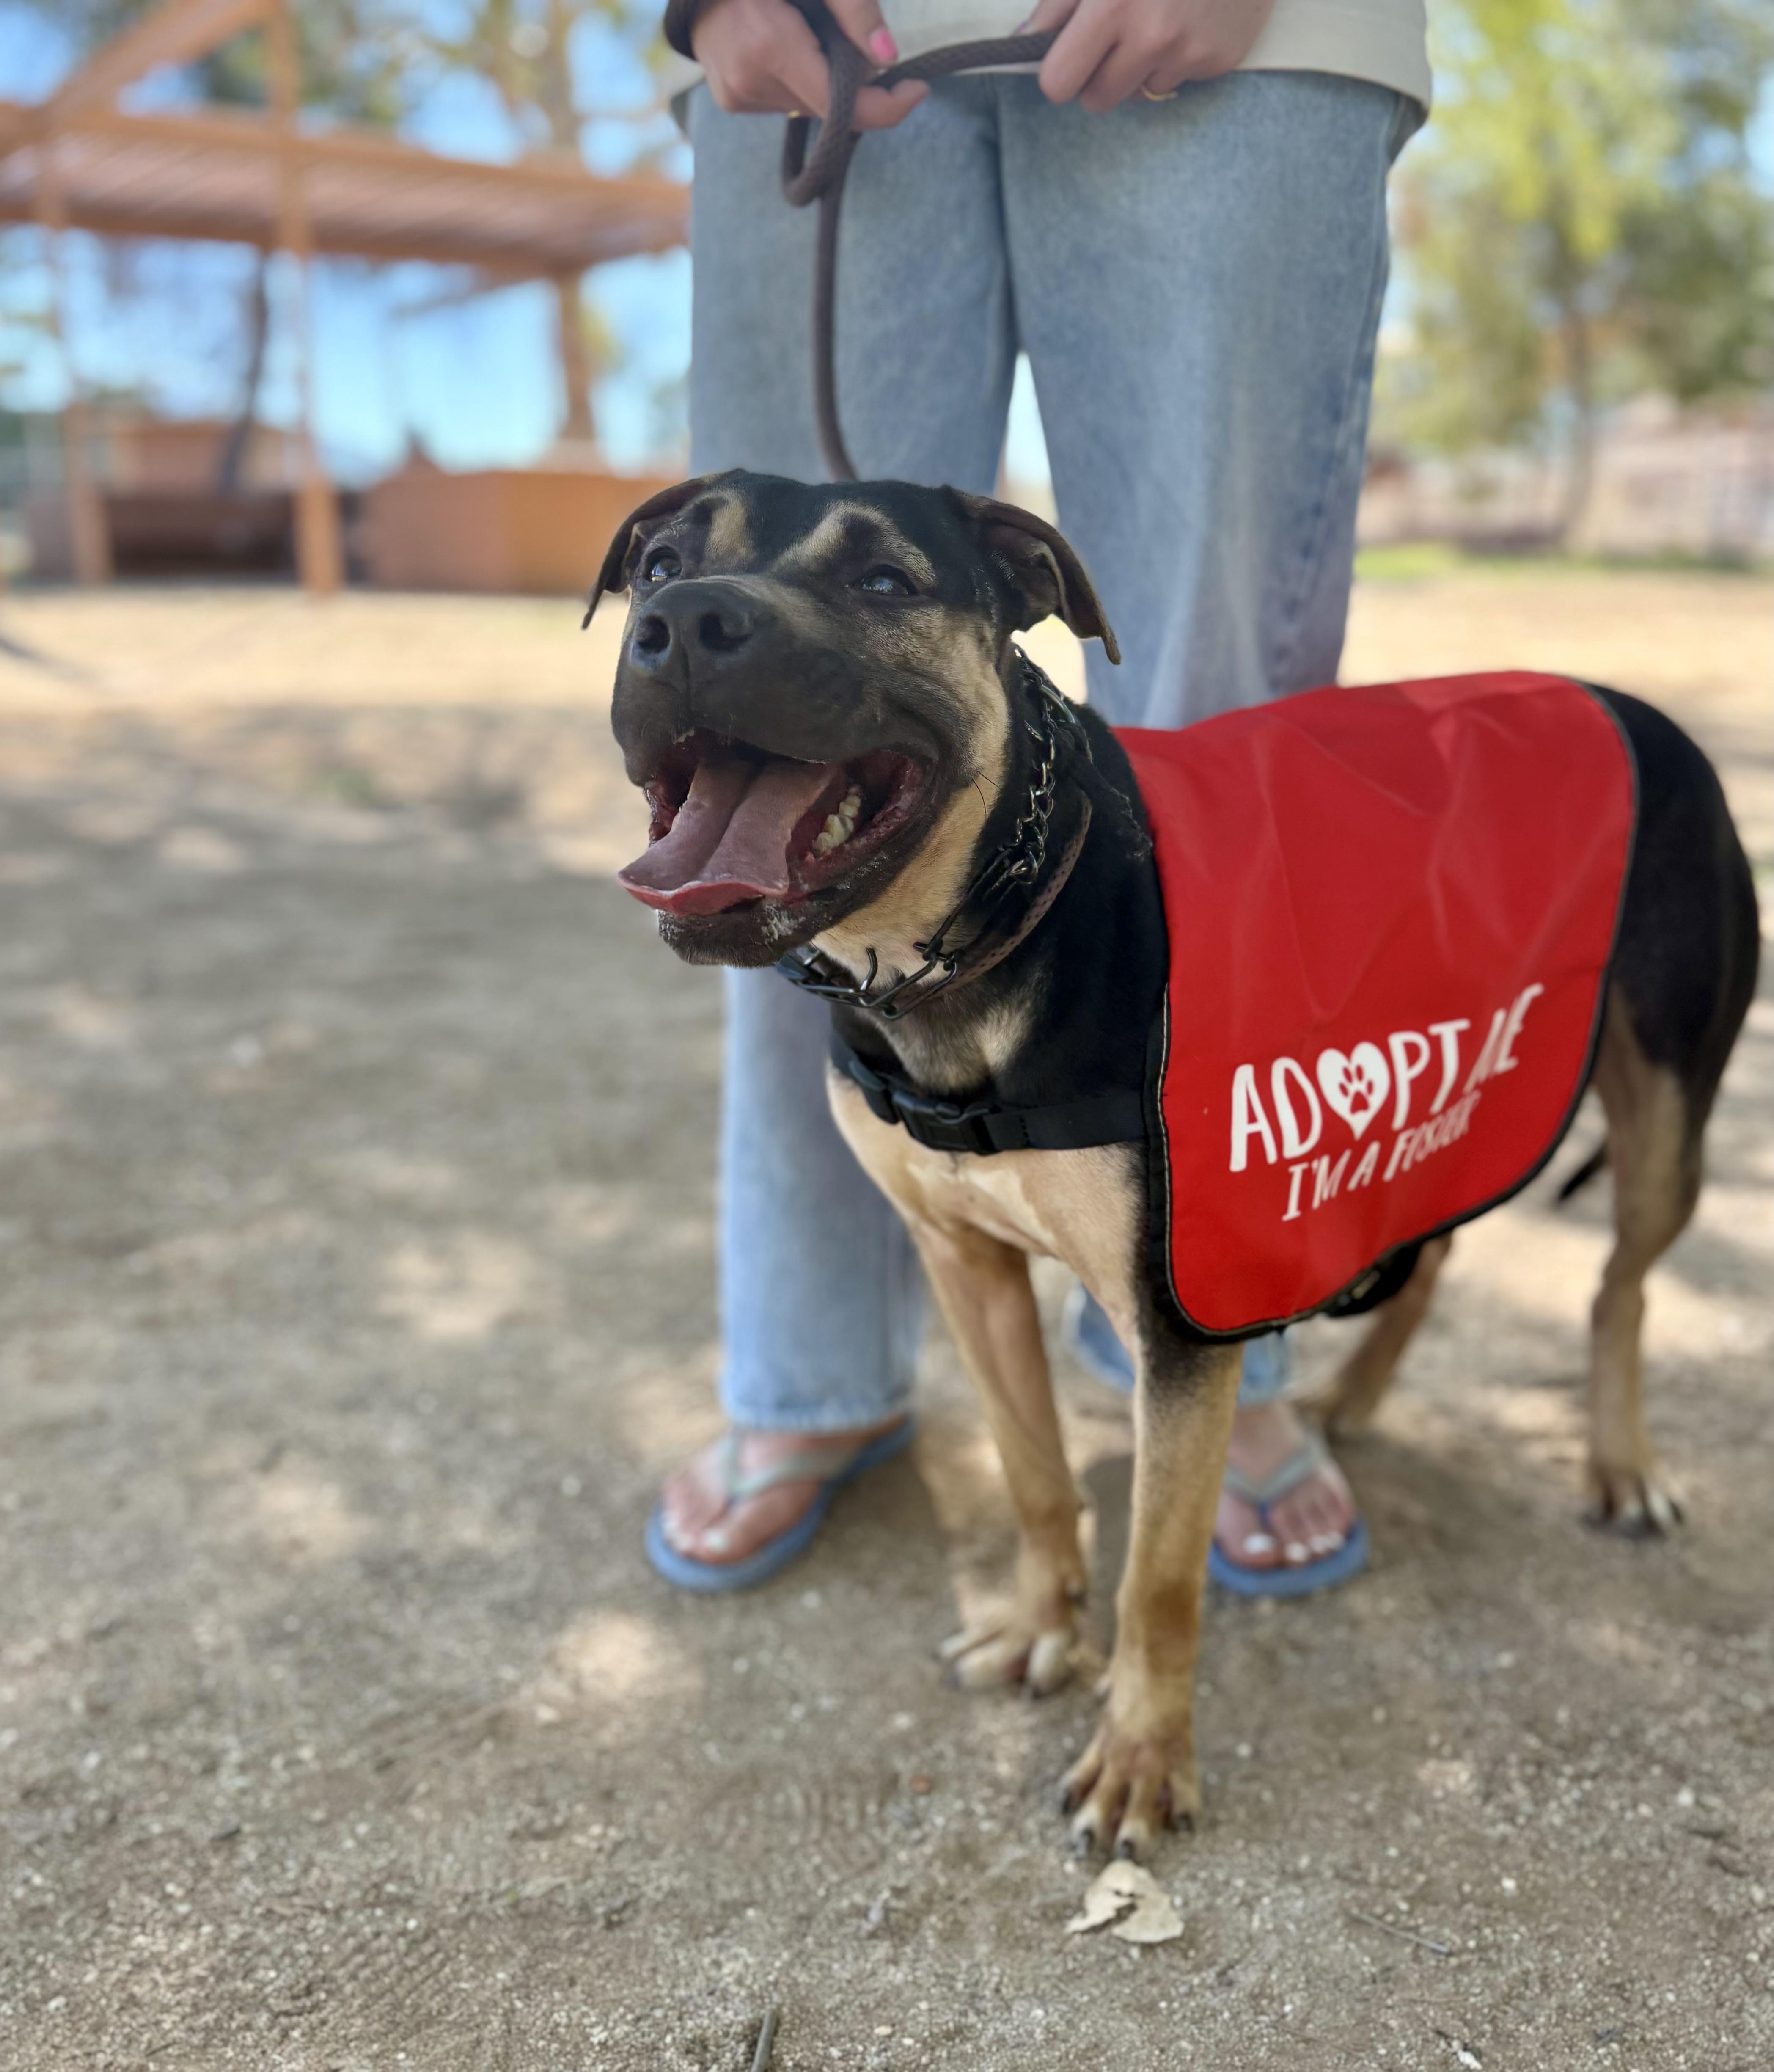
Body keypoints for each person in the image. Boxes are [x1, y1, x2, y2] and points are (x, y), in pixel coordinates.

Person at [646, 0, 1428, 1595]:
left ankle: (1219, 1349)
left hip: (1255, 41)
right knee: (770, 757)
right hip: (816, 34)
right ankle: (808, 1364)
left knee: (1221, 733)